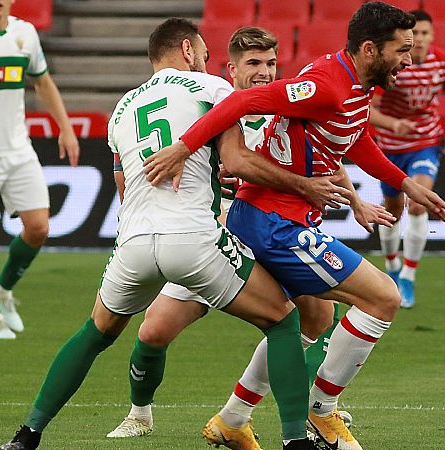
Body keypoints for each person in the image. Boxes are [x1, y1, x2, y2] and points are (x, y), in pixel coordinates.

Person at [0, 18, 340, 450]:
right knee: (282, 319)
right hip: (194, 239)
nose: (204, 60)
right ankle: (296, 441)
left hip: (134, 242)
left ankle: (27, 434)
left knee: (95, 332)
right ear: (186, 49)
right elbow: (235, 160)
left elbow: (124, 188)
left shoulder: (121, 109)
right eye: (201, 52)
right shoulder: (212, 89)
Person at [143, 3, 445, 449]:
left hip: (282, 217)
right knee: (382, 297)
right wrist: (183, 147)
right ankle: (320, 409)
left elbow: (355, 136)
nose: (409, 59)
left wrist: (403, 183)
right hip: (273, 222)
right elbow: (242, 101)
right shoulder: (327, 85)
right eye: (401, 50)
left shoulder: (353, 82)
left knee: (311, 316)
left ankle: (233, 418)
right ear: (371, 49)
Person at [104, 26, 386, 450]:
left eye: (271, 64)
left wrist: (355, 200)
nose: (264, 73)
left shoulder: (283, 106)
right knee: (154, 330)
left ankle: (259, 413)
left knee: (315, 317)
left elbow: (328, 155)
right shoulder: (210, 105)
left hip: (269, 231)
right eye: (254, 64)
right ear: (230, 68)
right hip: (211, 238)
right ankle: (139, 414)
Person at [0, 0, 80, 339]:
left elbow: (42, 83)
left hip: (17, 148)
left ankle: (4, 289)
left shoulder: (25, 33)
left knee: (39, 228)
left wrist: (66, 127)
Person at [369, 9, 445, 309]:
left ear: (432, 35)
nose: (421, 40)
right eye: (416, 35)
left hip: (425, 142)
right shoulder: (390, 65)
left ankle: (409, 277)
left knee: (418, 202)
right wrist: (393, 124)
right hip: (389, 146)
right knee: (392, 212)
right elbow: (368, 110)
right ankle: (392, 267)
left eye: (426, 34)